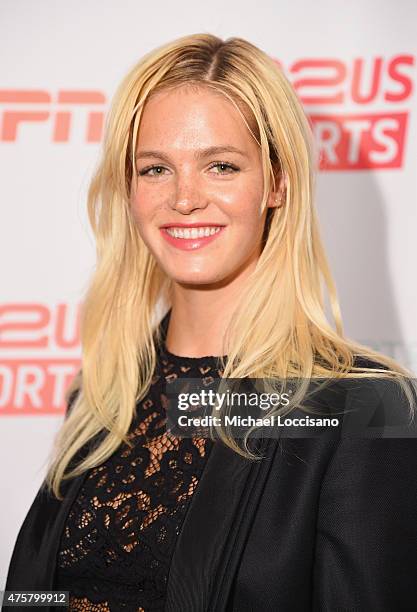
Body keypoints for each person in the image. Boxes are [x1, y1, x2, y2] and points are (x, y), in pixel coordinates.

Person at [3, 33, 417, 612]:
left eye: (221, 166)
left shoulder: (366, 409)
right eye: (155, 169)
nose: (184, 198)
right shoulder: (105, 392)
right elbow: (33, 597)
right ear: (129, 189)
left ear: (277, 182)